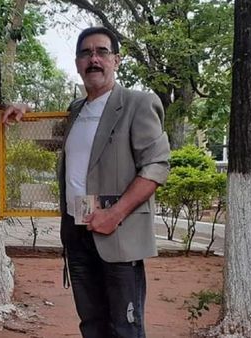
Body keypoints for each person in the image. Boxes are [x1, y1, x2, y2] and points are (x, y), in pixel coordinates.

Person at [59, 27, 171, 337]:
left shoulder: (138, 104)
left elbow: (157, 165)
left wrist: (115, 214)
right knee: (92, 325)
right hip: (77, 232)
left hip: (117, 233)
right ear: (78, 63)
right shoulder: (75, 111)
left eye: (101, 52)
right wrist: (22, 110)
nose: (93, 59)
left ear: (116, 60)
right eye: (86, 53)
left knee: (125, 327)